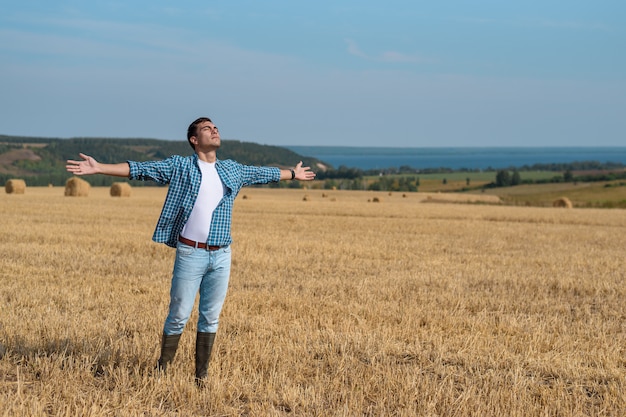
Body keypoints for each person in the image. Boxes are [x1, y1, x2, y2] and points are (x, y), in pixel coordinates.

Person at [66, 117, 316, 385]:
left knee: (210, 317)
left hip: (222, 255)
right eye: (207, 128)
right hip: (190, 253)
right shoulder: (180, 166)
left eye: (215, 127)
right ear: (194, 140)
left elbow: (263, 173)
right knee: (179, 315)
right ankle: (162, 370)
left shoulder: (232, 170)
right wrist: (99, 168)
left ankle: (201, 375)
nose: (214, 130)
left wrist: (293, 173)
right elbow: (140, 169)